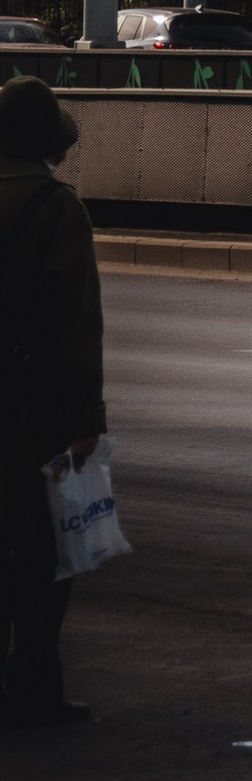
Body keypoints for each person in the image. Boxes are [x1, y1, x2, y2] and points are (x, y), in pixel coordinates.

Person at [0, 76, 106, 731]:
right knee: (41, 554)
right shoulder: (52, 206)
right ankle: (34, 686)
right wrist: (85, 420)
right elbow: (75, 324)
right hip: (30, 407)